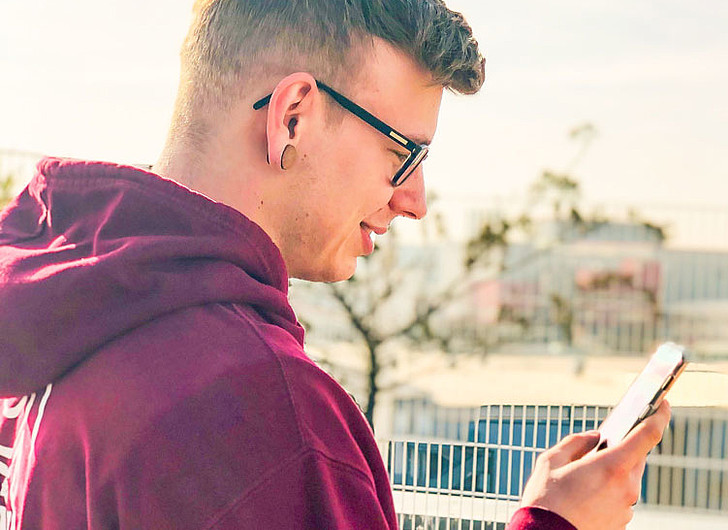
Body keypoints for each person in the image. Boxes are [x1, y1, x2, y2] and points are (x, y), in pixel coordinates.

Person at [0, 0, 672, 528]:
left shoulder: (56, 319)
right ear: (292, 117)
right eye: (402, 154)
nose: (414, 200)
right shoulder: (258, 406)